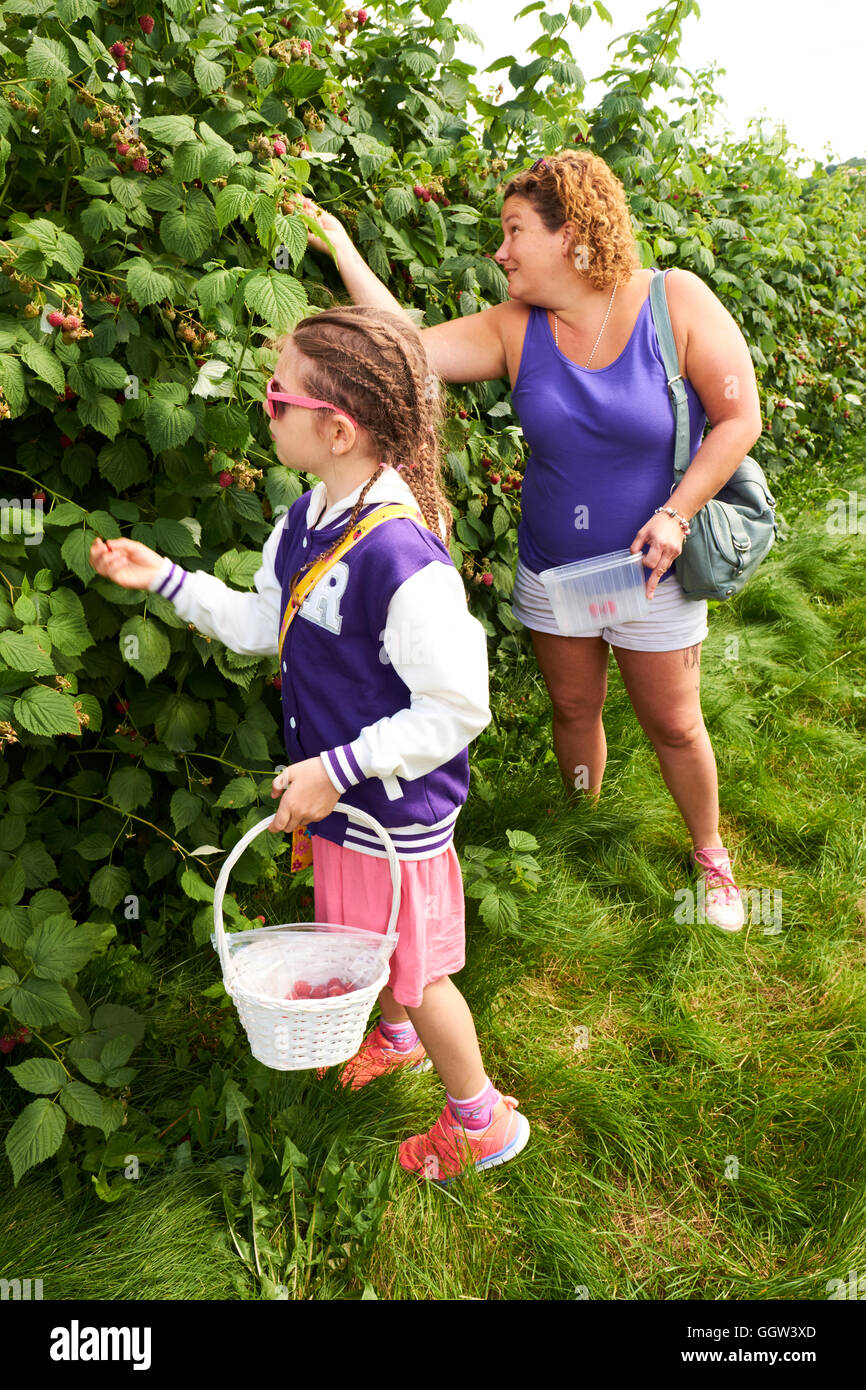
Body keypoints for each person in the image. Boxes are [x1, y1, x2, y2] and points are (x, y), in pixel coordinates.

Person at [88, 305, 530, 1185]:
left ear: (337, 428)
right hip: (342, 805)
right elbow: (263, 623)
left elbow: (458, 704)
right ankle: (398, 1042)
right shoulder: (306, 520)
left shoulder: (402, 561)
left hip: (390, 814)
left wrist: (335, 769)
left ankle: (480, 1120)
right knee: (369, 940)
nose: (265, 406)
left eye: (276, 394)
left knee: (417, 972)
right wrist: (169, 579)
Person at [299, 150, 764, 933]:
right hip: (556, 572)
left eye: (515, 231)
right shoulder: (517, 329)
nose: (501, 250)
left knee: (675, 723)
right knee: (574, 705)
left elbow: (740, 417)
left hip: (654, 569)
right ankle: (583, 817)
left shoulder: (671, 301)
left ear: (574, 236)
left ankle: (710, 854)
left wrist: (676, 514)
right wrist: (342, 246)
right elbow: (405, 352)